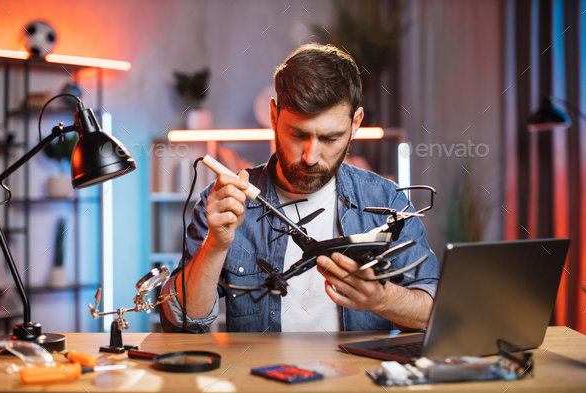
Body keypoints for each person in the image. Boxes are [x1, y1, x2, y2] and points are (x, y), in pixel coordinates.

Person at [160, 43, 439, 333]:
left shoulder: (386, 201)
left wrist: (383, 299)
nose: (310, 156)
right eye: (297, 134)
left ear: (355, 123)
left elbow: (438, 313)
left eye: (330, 138)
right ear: (273, 117)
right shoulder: (225, 203)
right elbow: (183, 324)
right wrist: (215, 246)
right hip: (260, 377)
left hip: (359, 378)